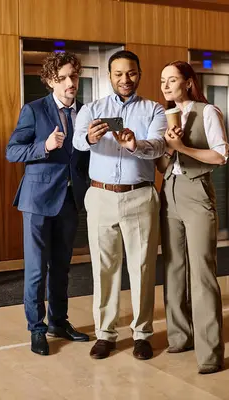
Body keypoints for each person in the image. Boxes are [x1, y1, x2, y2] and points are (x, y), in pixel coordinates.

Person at [73, 50, 166, 360]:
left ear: (139, 74)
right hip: (100, 196)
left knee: (142, 267)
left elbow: (160, 145)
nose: (125, 79)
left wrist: (134, 144)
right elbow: (75, 142)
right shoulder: (92, 108)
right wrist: (88, 137)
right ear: (109, 76)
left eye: (131, 73)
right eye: (118, 74)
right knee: (103, 267)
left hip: (140, 195)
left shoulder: (153, 109)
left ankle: (142, 334)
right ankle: (106, 334)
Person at [6, 51, 90, 356]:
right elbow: (12, 151)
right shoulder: (34, 110)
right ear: (50, 81)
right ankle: (36, 329)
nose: (70, 83)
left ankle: (58, 321)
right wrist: (44, 146)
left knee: (62, 268)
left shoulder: (86, 113)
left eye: (74, 76)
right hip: (38, 200)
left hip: (70, 199)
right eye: (63, 78)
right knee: (36, 270)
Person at [157, 61, 228, 374]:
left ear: (188, 82)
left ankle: (210, 353)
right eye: (163, 81)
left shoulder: (208, 112)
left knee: (201, 271)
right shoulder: (164, 117)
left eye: (172, 80)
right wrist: (171, 150)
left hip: (197, 192)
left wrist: (182, 147)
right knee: (173, 267)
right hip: (168, 192)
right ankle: (179, 336)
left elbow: (221, 155)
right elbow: (161, 167)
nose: (167, 86)